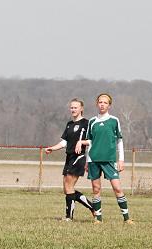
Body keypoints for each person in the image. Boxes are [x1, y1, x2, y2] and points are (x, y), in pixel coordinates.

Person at [83, 93, 132, 223]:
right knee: (96, 189)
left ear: (109, 105)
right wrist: (88, 161)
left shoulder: (114, 121)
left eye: (105, 102)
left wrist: (121, 159)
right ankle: (98, 218)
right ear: (97, 104)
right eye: (100, 102)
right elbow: (90, 143)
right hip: (93, 160)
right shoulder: (92, 121)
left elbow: (119, 141)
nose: (102, 104)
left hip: (109, 160)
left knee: (117, 188)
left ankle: (127, 219)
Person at [44, 98, 94, 221]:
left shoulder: (86, 123)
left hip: (79, 157)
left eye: (75, 107)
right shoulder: (69, 124)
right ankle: (93, 207)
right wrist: (52, 148)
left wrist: (82, 143)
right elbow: (64, 142)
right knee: (67, 189)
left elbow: (92, 140)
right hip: (69, 157)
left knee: (69, 187)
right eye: (71, 107)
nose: (73, 109)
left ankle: (69, 217)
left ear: (81, 109)